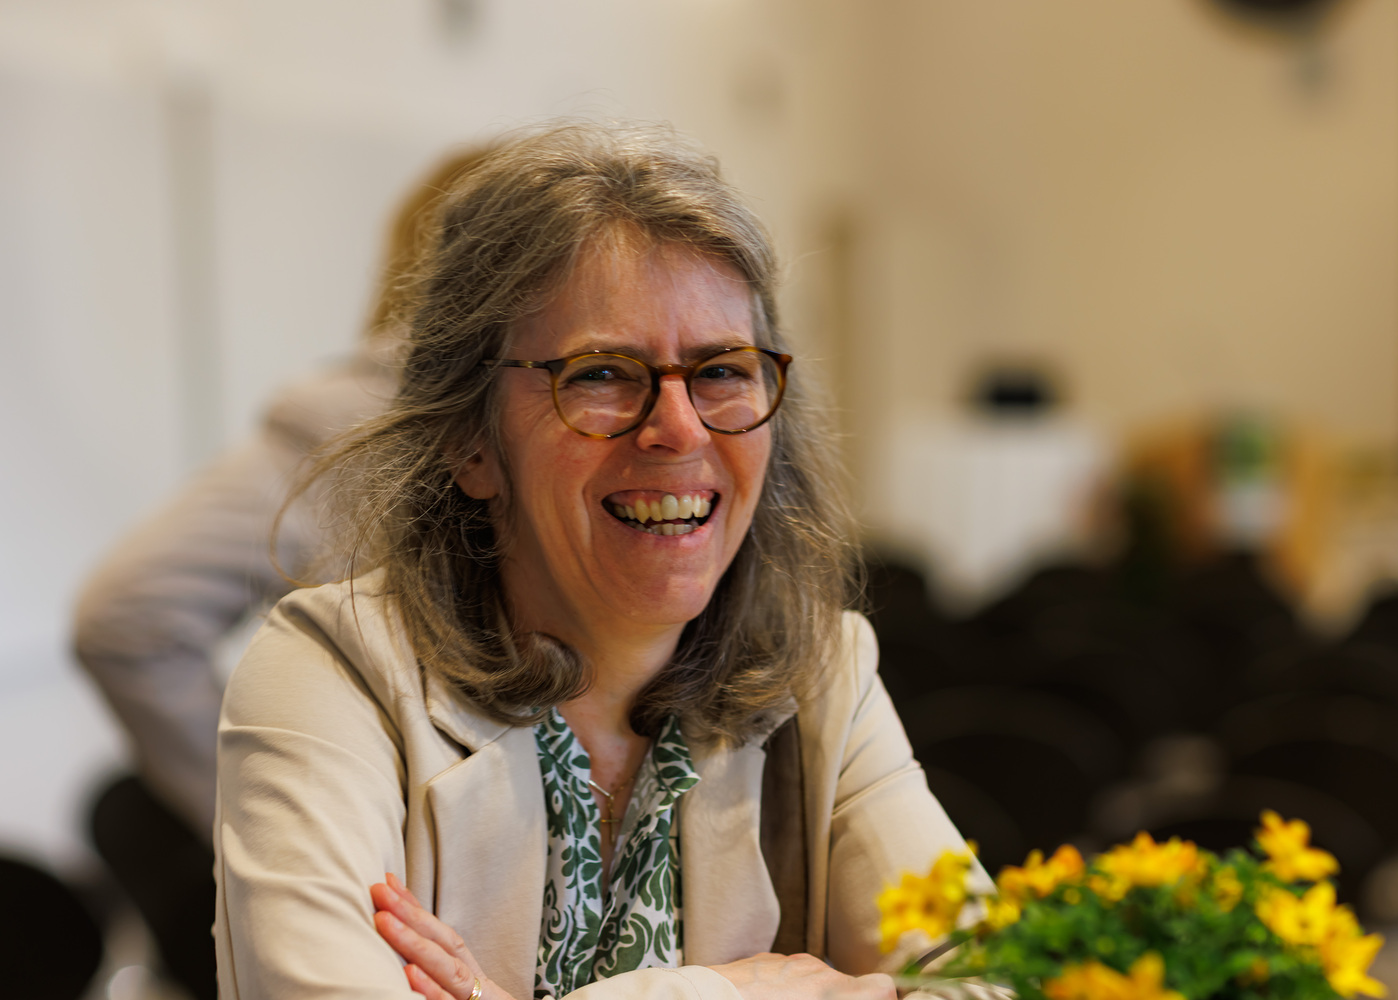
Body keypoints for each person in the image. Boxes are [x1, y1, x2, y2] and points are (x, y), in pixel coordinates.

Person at [214, 122, 975, 1000]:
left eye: (721, 370)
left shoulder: (823, 676)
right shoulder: (333, 673)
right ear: (470, 441)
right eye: (603, 374)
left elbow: (994, 984)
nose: (679, 428)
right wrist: (731, 993)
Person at [73, 147, 488, 1000]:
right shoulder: (354, 425)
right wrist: (270, 809)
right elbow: (123, 617)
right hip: (410, 896)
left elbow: (126, 615)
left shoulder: (341, 420)